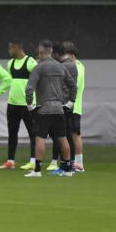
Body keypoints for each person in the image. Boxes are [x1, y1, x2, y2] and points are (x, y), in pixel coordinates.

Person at [24, 40, 77, 178]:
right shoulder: (61, 67)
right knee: (62, 137)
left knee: (40, 138)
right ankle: (68, 169)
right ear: (52, 51)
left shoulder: (39, 67)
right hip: (59, 108)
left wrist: (30, 106)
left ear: (41, 52)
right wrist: (70, 103)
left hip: (44, 109)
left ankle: (37, 170)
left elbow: (29, 89)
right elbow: (73, 86)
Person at [5, 41, 38, 170]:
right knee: (12, 133)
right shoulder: (10, 63)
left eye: (10, 48)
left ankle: (33, 160)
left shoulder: (30, 62)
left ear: (17, 48)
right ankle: (10, 160)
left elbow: (38, 80)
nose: (8, 51)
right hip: (12, 104)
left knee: (33, 133)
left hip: (28, 105)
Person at [46, 43, 79, 173]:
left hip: (63, 105)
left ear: (55, 53)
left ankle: (66, 166)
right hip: (65, 104)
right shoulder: (71, 64)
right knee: (65, 135)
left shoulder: (65, 66)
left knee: (62, 136)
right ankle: (68, 164)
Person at [64, 41, 85, 172]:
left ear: (72, 55)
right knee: (68, 135)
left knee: (75, 134)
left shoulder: (78, 67)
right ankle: (71, 162)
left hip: (74, 106)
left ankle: (79, 164)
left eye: (65, 55)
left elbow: (73, 85)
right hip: (68, 105)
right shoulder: (72, 66)